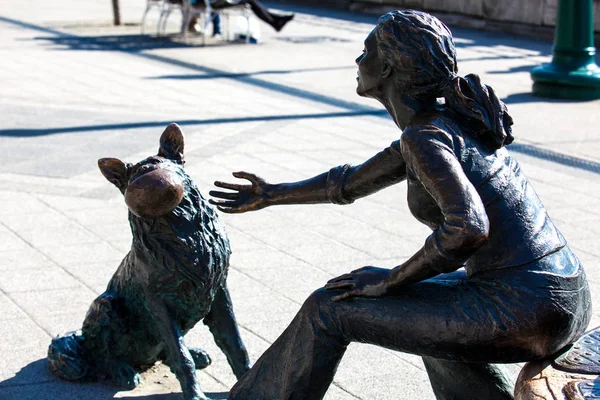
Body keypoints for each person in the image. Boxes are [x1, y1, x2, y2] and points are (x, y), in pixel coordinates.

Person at [209, 10, 592, 400]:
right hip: (560, 294)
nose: (358, 62)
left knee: (328, 308)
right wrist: (271, 193)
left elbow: (468, 227)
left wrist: (390, 279)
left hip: (523, 308)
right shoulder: (441, 124)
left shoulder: (426, 136)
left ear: (389, 67)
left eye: (366, 52)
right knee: (422, 314)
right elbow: (349, 182)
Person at [189, 0, 293, 33]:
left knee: (250, 1)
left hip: (211, 3)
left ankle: (275, 20)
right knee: (250, 1)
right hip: (214, 3)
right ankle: (275, 21)